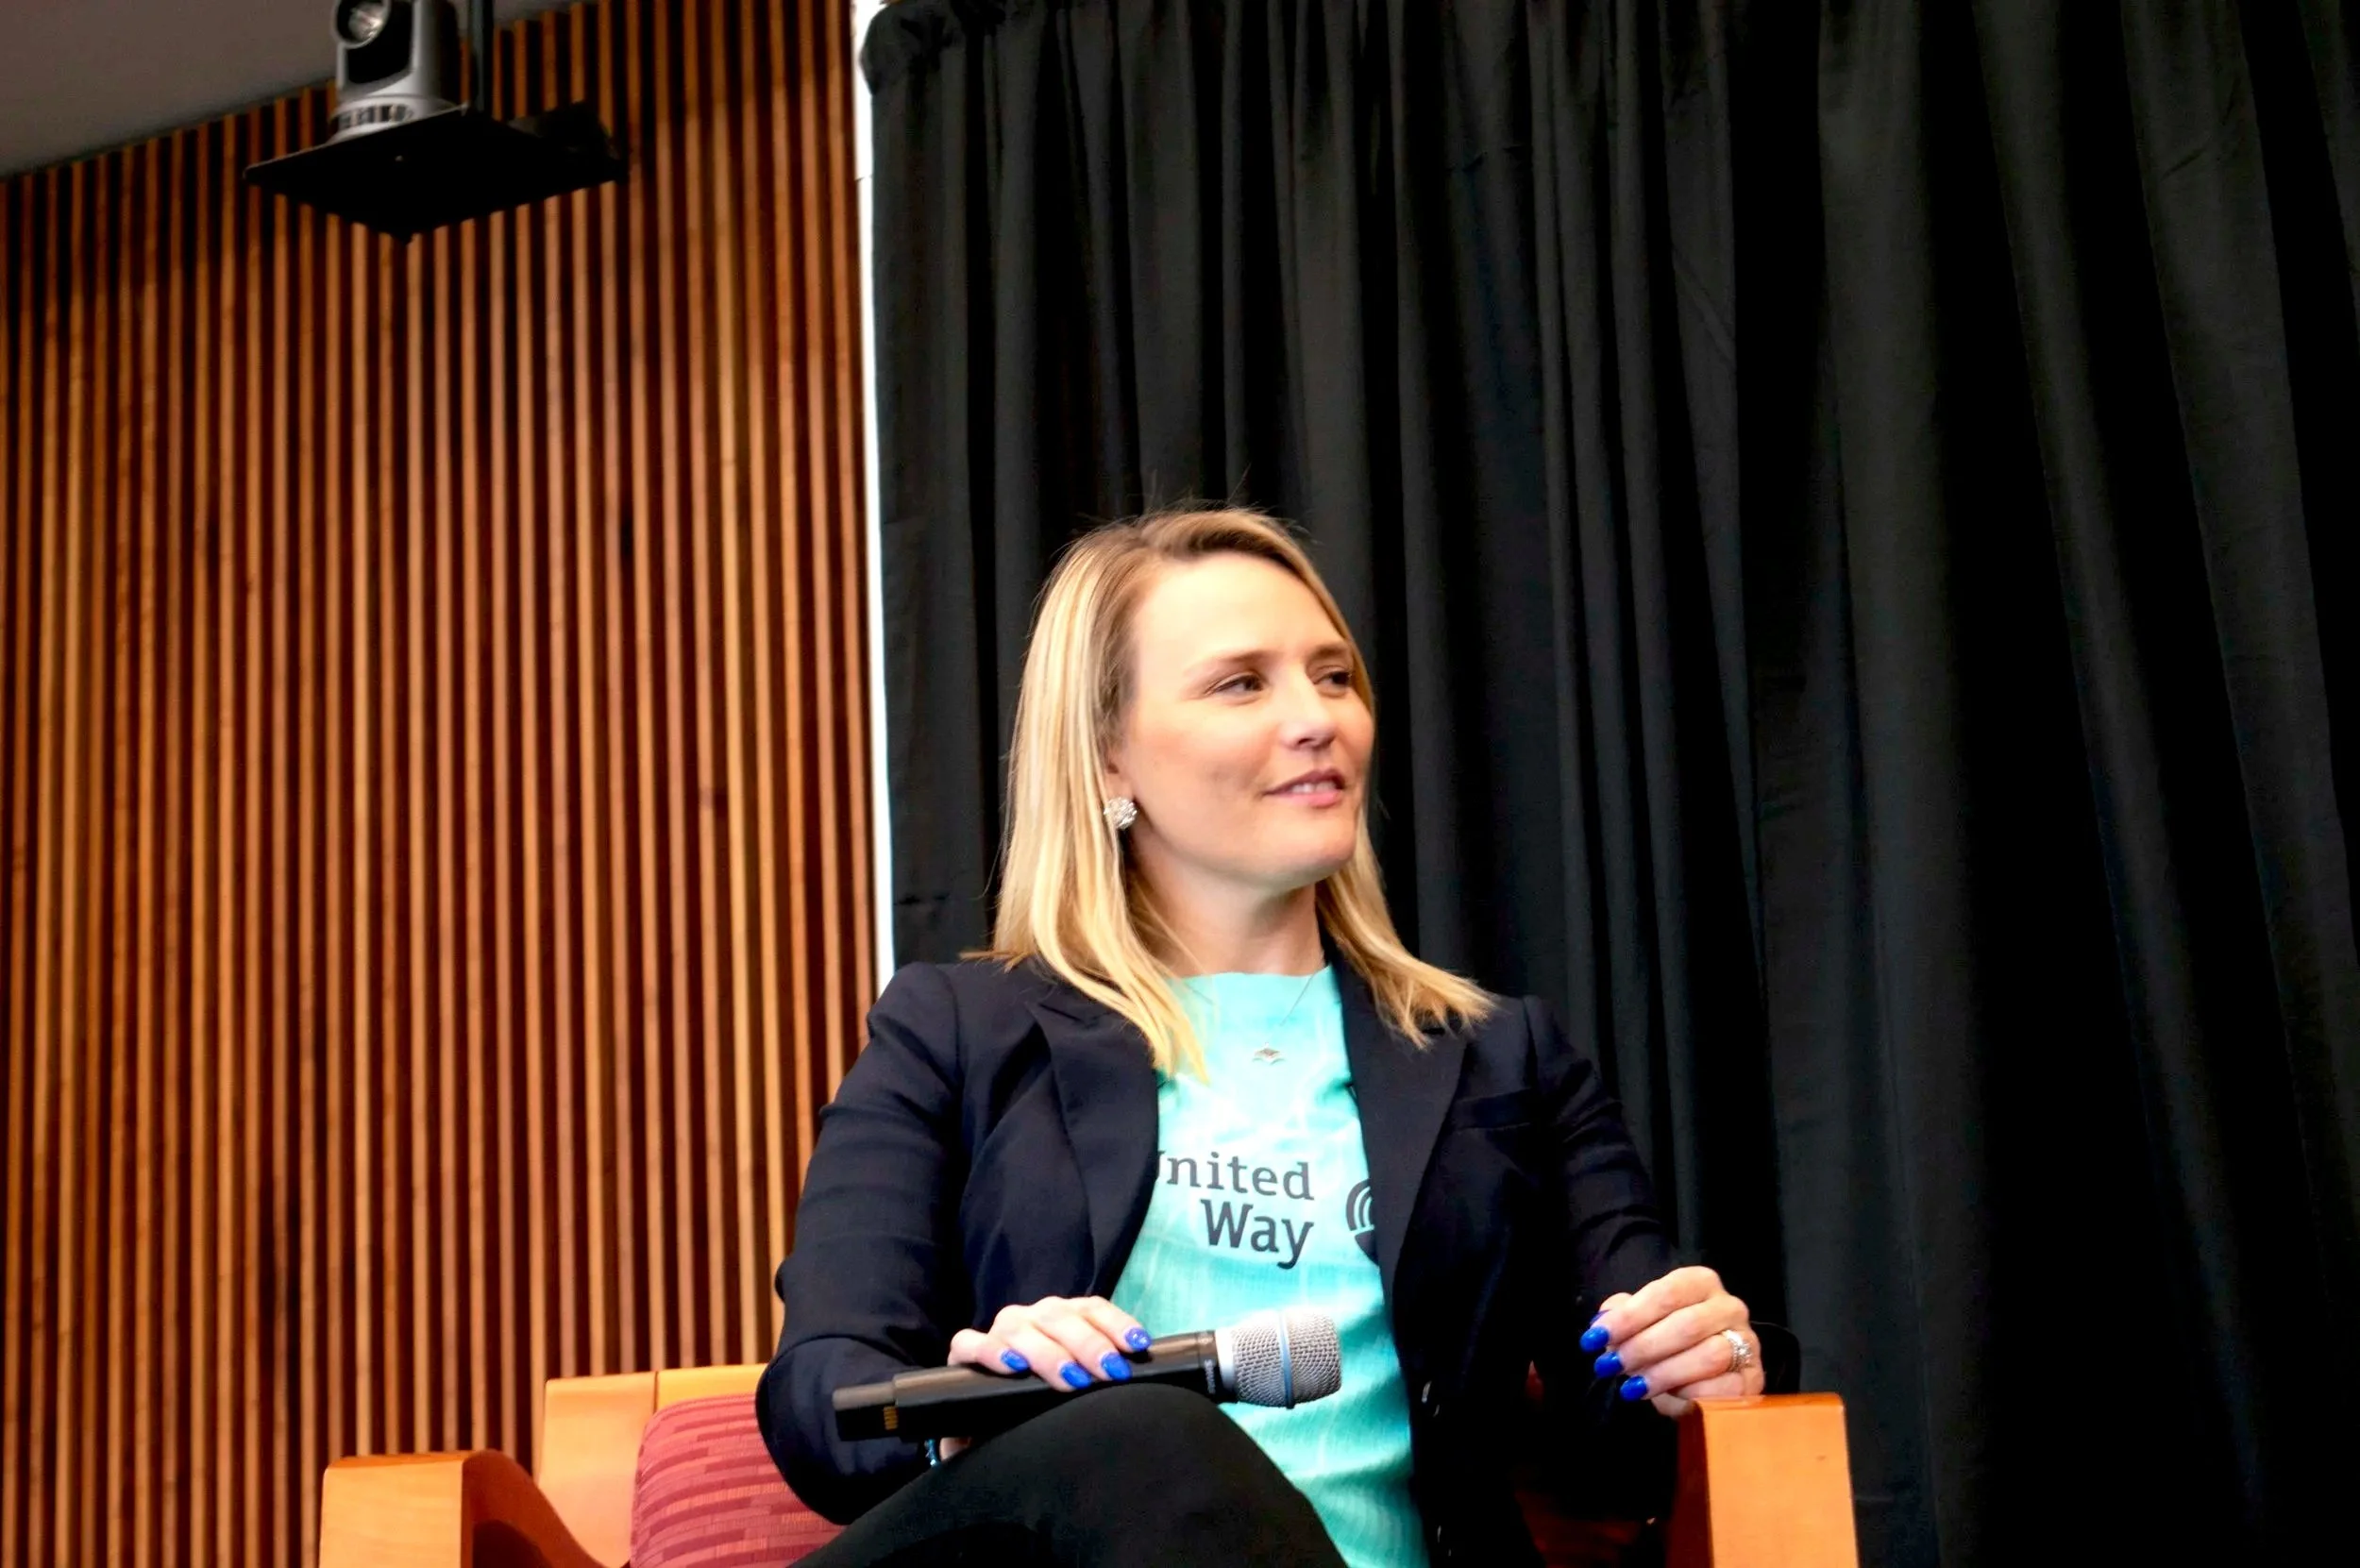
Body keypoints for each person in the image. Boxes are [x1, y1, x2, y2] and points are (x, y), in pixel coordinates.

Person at [759, 507, 1787, 1567]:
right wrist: (971, 1393)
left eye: (1333, 675)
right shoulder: (954, 1030)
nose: (1317, 718)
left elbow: (1617, 1445)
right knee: (1143, 1431)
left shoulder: (1499, 1059)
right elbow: (819, 1396)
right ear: (1108, 756)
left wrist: (1688, 1363)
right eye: (1241, 682)